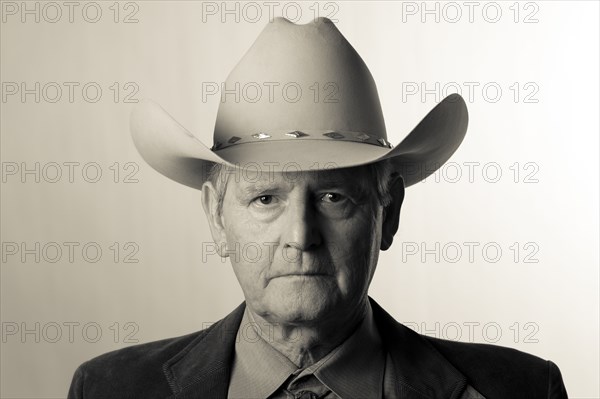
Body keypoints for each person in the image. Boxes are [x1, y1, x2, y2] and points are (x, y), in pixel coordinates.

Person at [68, 17, 568, 399]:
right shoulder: (109, 389)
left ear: (387, 212)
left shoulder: (523, 389)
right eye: (266, 198)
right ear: (217, 217)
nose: (301, 235)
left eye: (333, 197)